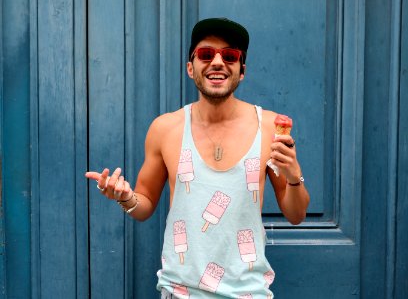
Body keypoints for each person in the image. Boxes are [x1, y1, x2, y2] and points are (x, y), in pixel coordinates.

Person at [85, 17, 309, 299]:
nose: (217, 62)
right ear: (191, 68)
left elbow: (296, 214)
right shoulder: (165, 129)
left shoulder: (270, 128)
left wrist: (293, 178)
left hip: (247, 293)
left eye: (230, 55)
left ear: (242, 71)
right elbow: (145, 205)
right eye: (206, 54)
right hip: (179, 292)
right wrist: (124, 196)